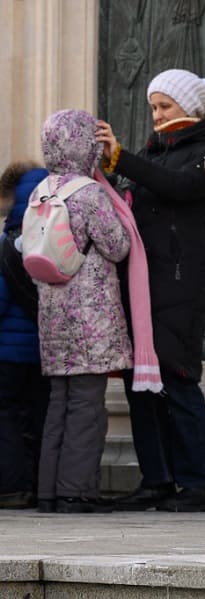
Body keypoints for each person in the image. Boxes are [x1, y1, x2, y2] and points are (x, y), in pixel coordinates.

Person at [95, 68, 205, 513]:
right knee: (140, 381)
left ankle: (199, 484)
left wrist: (124, 160)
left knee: (176, 377)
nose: (156, 115)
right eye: (153, 107)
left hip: (179, 284)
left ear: (189, 108)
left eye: (164, 106)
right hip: (142, 282)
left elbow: (179, 187)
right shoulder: (156, 153)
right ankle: (158, 480)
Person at [33, 109, 133, 514]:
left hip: (52, 318)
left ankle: (49, 491)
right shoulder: (87, 193)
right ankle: (77, 491)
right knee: (87, 408)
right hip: (90, 320)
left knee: (58, 404)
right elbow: (117, 246)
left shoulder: (42, 190)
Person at [0, 161, 49, 509]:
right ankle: (39, 484)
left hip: (7, 352)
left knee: (5, 415)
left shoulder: (10, 243)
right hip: (45, 350)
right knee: (39, 416)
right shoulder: (52, 234)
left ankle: (14, 487)